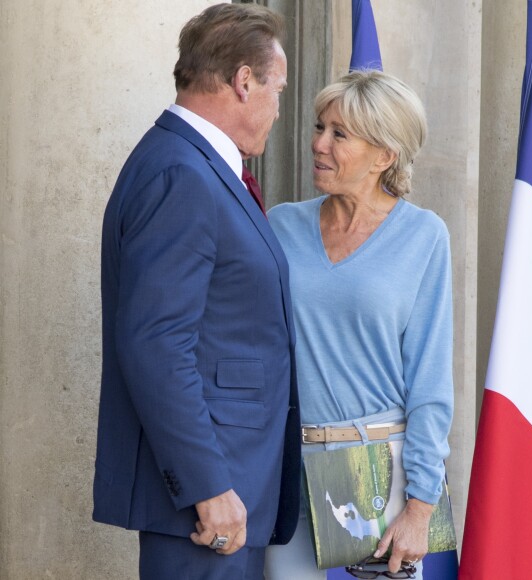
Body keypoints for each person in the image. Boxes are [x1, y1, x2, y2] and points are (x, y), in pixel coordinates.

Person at [92, 4, 301, 579]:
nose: (279, 110)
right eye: (277, 90)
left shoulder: (189, 163)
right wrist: (208, 485)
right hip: (208, 506)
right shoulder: (181, 173)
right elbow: (155, 342)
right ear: (242, 81)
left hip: (231, 490)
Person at [265, 70, 454, 580]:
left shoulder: (424, 236)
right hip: (291, 471)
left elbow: (431, 386)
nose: (318, 144)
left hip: (382, 481)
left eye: (339, 134)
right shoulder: (280, 225)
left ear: (384, 155)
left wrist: (420, 507)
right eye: (319, 127)